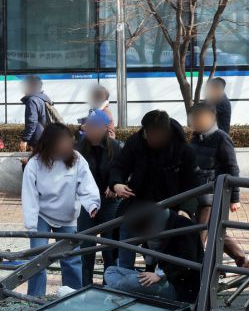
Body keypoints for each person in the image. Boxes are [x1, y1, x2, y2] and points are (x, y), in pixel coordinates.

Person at [109, 109, 200, 269]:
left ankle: (159, 275)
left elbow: (192, 183)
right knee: (126, 231)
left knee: (162, 242)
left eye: (157, 136)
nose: (152, 140)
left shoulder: (183, 149)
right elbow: (119, 166)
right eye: (149, 135)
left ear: (166, 132)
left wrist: (185, 209)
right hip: (138, 201)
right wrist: (116, 183)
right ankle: (123, 274)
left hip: (171, 205)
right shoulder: (136, 142)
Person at [22, 123, 101, 296]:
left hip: (68, 215)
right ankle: (35, 298)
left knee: (71, 259)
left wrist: (92, 204)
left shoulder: (77, 159)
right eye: (61, 144)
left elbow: (86, 184)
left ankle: (73, 296)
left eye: (68, 143)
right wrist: (31, 225)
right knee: (37, 258)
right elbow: (29, 196)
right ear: (50, 144)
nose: (66, 147)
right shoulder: (34, 164)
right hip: (41, 215)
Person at [189, 103, 249, 267]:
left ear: (212, 117)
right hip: (197, 193)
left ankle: (199, 269)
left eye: (199, 117)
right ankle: (241, 261)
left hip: (211, 196)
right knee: (216, 230)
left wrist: (234, 198)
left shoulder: (221, 138)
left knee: (200, 233)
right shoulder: (196, 137)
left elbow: (232, 168)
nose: (195, 121)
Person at [104, 206, 203, 303]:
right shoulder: (152, 228)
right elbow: (149, 261)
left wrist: (160, 274)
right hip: (156, 277)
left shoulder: (182, 224)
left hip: (177, 284)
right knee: (110, 271)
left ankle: (115, 291)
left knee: (129, 281)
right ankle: (119, 290)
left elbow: (188, 259)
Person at [75, 110, 123, 286]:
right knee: (86, 246)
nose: (91, 130)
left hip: (111, 203)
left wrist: (115, 184)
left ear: (104, 128)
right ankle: (85, 286)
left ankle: (108, 286)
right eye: (88, 126)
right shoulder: (78, 148)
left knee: (109, 247)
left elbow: (122, 171)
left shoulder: (116, 147)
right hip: (88, 204)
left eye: (95, 127)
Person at [19, 75, 53, 152]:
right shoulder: (43, 99)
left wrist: (24, 140)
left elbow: (32, 122)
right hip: (46, 137)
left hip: (38, 140)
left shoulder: (32, 100)